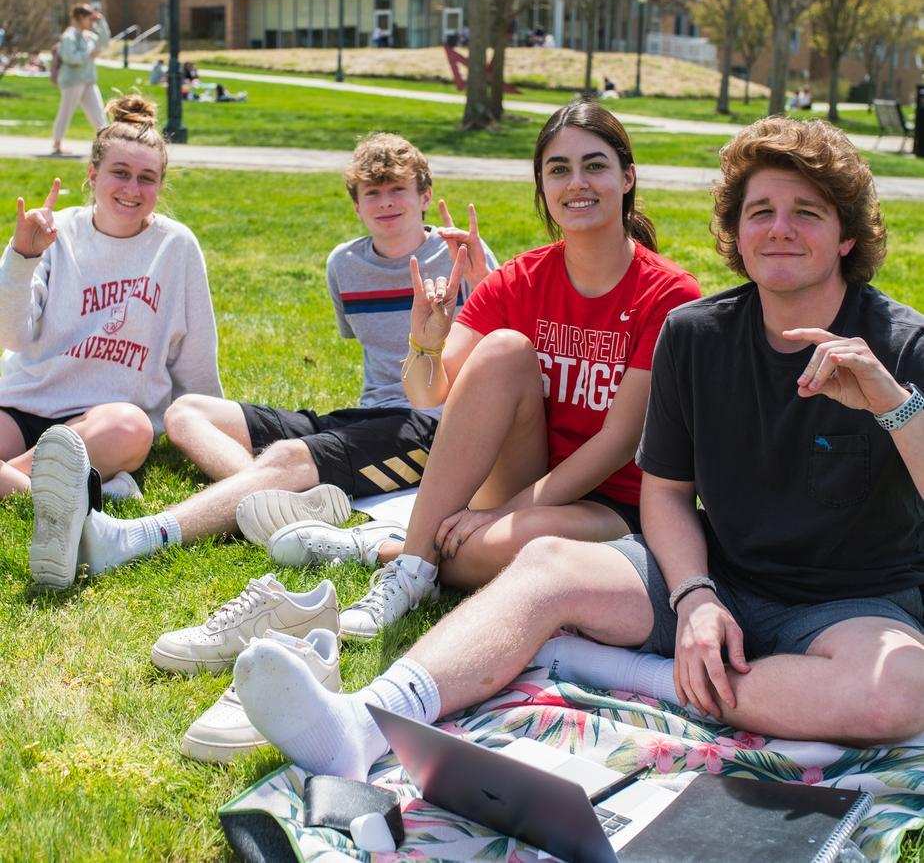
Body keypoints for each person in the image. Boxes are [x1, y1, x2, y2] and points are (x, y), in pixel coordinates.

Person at [231, 116, 924, 784]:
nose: (779, 228)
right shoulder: (697, 334)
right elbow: (667, 493)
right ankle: (362, 723)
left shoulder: (900, 345)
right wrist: (695, 596)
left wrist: (895, 407)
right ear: (736, 234)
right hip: (719, 575)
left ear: (845, 237)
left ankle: (631, 673)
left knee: (901, 693)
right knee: (547, 565)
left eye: (806, 211)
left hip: (851, 604)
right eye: (760, 211)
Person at [286, 100, 700, 640]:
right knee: (504, 348)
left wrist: (501, 513)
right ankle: (412, 568)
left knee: (491, 549)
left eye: (594, 165)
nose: (577, 182)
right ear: (542, 188)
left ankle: (385, 548)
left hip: (615, 503)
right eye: (558, 170)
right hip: (523, 475)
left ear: (627, 177)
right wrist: (426, 343)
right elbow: (427, 392)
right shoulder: (522, 278)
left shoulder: (668, 292)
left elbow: (620, 441)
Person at [28, 133, 496, 591]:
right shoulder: (345, 265)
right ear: (356, 205)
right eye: (373, 193)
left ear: (426, 196)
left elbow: (504, 348)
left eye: (399, 190)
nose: (386, 203)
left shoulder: (459, 256)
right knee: (186, 412)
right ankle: (275, 504)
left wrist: (483, 278)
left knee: (290, 457)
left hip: (431, 427)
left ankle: (138, 536)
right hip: (366, 416)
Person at [3, 95, 222, 585]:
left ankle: (45, 485)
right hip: (26, 402)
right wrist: (21, 258)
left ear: (161, 187)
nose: (132, 188)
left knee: (133, 427)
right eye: (120, 173)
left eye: (147, 178)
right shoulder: (53, 233)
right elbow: (13, 336)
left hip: (106, 421)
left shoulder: (176, 246)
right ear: (93, 174)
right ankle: (85, 494)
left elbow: (196, 355)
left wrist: (209, 425)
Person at [51, 4, 111, 156]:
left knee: (98, 113)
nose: (91, 22)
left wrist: (101, 22)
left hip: (88, 80)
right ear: (80, 18)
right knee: (66, 111)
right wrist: (88, 55)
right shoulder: (69, 36)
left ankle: (107, 145)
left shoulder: (87, 35)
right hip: (72, 81)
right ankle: (57, 144)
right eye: (88, 18)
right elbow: (70, 57)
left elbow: (104, 42)